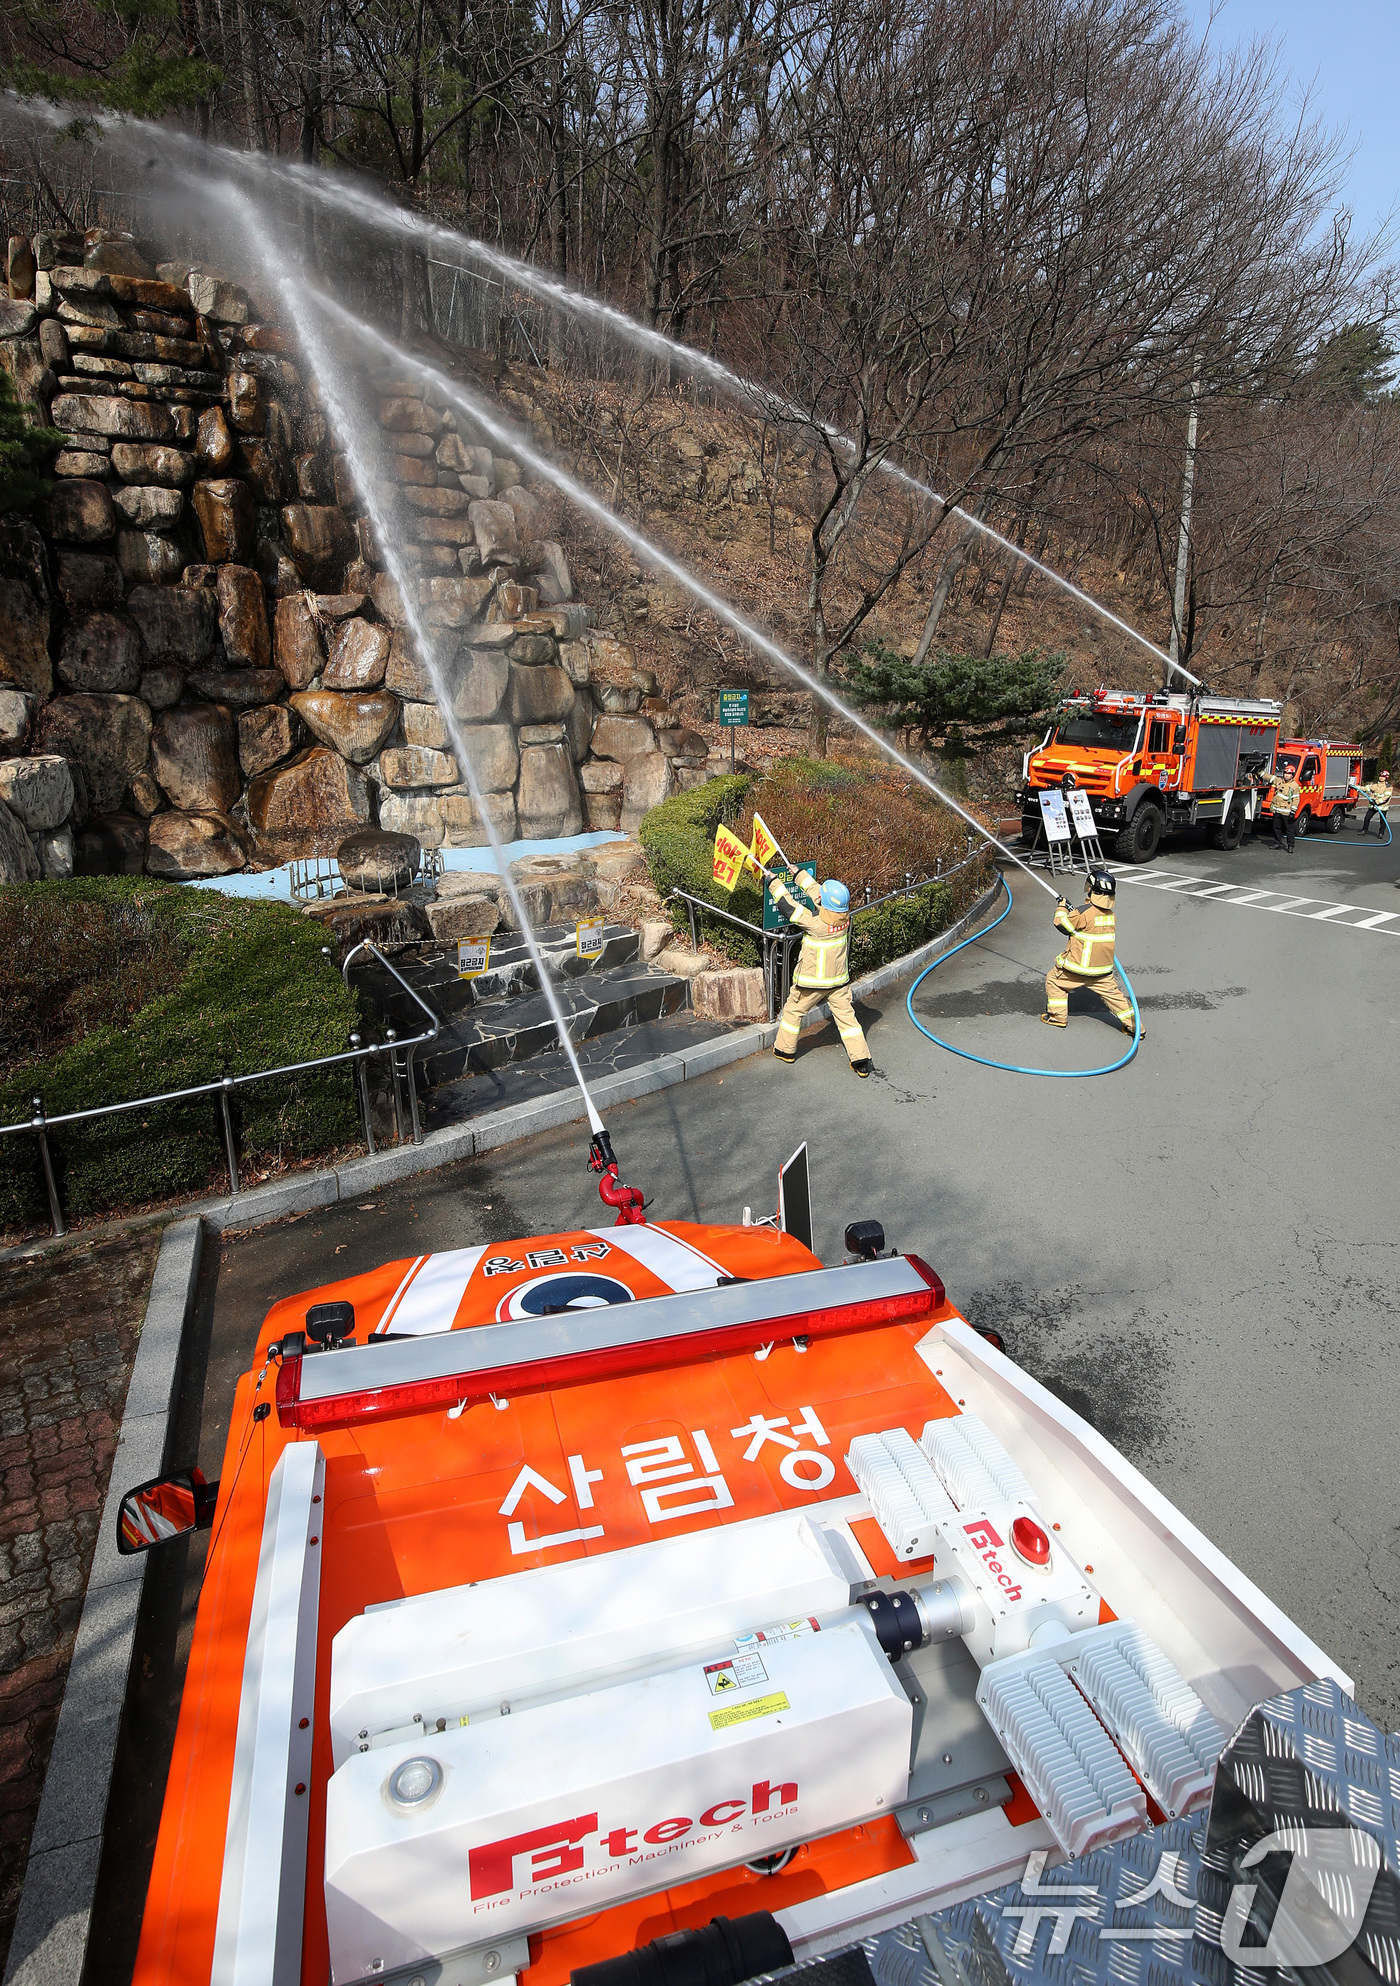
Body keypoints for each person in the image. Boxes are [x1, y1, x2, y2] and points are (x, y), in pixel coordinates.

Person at [770, 869, 872, 1076]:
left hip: (812, 984)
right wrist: (798, 874)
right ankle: (861, 1060)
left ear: (825, 906)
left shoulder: (815, 924)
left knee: (793, 1012)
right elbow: (818, 894)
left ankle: (784, 1050)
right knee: (847, 1020)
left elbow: (788, 907)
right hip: (838, 983)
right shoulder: (844, 918)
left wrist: (773, 882)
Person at [1042, 868, 1140, 1039]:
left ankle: (1057, 1017)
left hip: (1077, 969)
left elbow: (1061, 924)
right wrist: (1076, 911)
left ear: (1094, 890)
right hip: (1102, 971)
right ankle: (1136, 1027)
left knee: (1054, 982)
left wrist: (1062, 907)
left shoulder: (1083, 913)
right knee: (1115, 997)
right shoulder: (1111, 916)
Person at [1270, 764, 1302, 852]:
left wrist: (1293, 811)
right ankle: (1277, 843)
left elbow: (1296, 799)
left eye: (1289, 774)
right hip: (1277, 809)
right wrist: (1259, 772)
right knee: (1277, 827)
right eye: (1285, 773)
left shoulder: (1294, 786)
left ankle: (1290, 845)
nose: (1287, 775)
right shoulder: (1279, 781)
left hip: (1287, 812)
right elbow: (1270, 778)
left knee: (1289, 829)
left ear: (1292, 775)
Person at [1360, 768, 1392, 836]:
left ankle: (1381, 833)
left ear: (1386, 778)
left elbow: (1386, 797)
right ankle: (1364, 830)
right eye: (1380, 776)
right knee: (1367, 818)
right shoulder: (1375, 784)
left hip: (1382, 807)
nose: (1381, 778)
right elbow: (1366, 788)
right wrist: (1357, 787)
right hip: (1373, 806)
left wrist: (1377, 802)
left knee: (1382, 821)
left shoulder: (1388, 787)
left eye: (1383, 777)